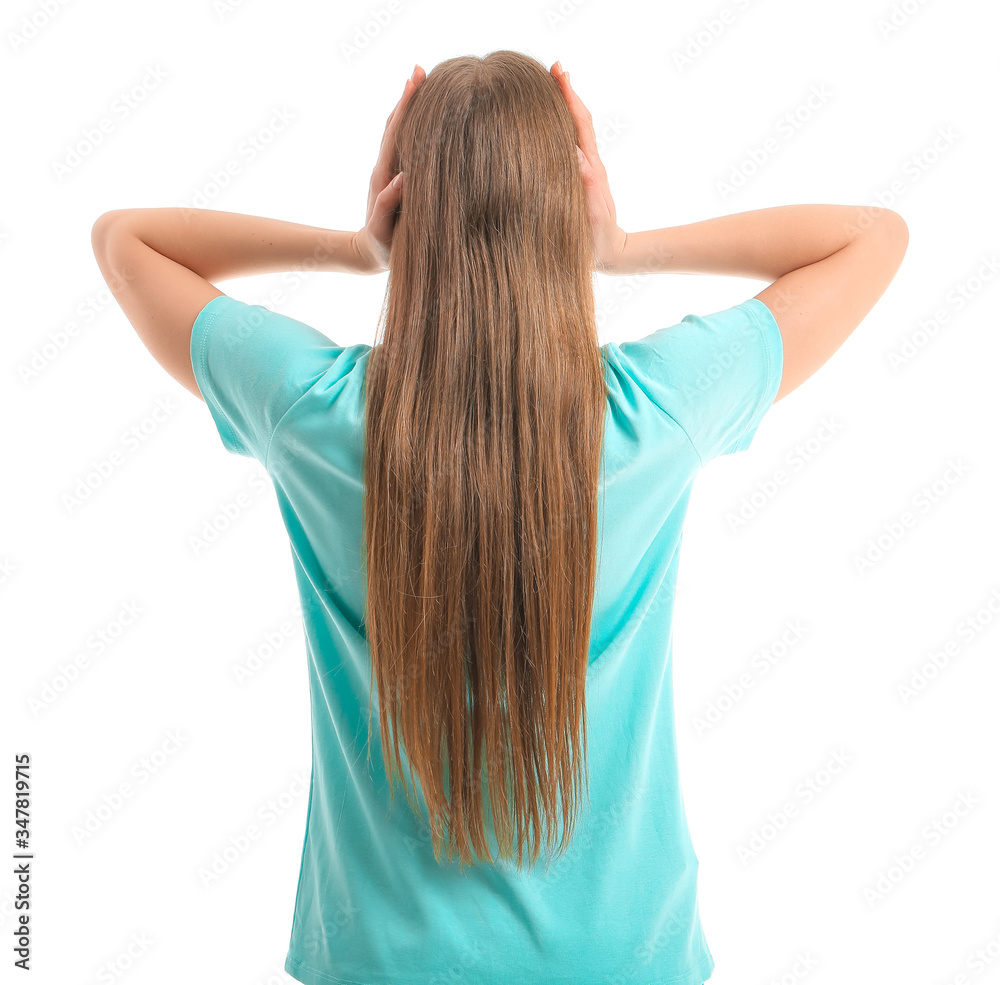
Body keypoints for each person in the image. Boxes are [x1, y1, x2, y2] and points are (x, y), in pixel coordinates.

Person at [91, 50, 908, 985]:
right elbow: (872, 237)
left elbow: (126, 241)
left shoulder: (315, 411)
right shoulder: (652, 413)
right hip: (620, 959)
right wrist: (620, 244)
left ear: (406, 205)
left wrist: (357, 246)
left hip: (380, 962)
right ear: (568, 203)